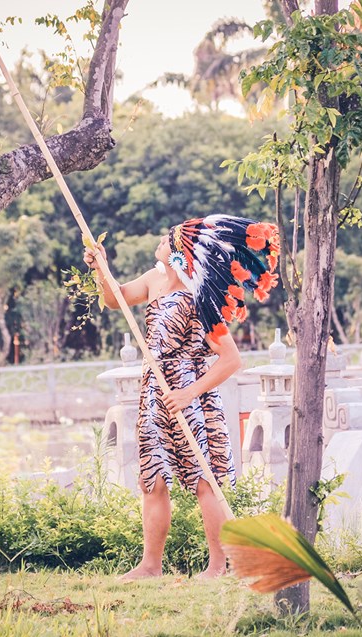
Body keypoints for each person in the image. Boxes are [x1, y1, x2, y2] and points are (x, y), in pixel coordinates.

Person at [83, 214, 280, 580]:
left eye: (164, 238)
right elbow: (117, 300)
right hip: (155, 393)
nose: (158, 240)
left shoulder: (198, 296)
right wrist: (101, 268)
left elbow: (231, 359)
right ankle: (150, 565)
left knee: (206, 480)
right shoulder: (155, 278)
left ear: (179, 249)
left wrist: (189, 393)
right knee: (152, 478)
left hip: (192, 395)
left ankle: (218, 566)